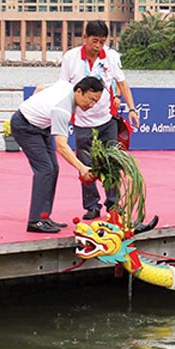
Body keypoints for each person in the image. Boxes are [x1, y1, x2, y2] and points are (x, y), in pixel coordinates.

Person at [60, 20, 139, 220]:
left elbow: (122, 83)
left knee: (111, 162)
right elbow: (63, 88)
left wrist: (131, 108)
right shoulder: (71, 57)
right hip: (82, 121)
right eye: (94, 41)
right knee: (85, 164)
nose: (98, 46)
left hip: (106, 119)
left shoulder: (110, 57)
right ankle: (91, 206)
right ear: (84, 38)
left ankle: (113, 205)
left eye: (102, 42)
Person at [10, 77, 104, 233]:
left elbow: (40, 86)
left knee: (53, 168)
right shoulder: (62, 109)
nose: (91, 105)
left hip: (42, 126)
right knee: (45, 170)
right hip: (24, 127)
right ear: (79, 91)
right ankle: (35, 221)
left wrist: (35, 105)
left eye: (96, 102)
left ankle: (44, 216)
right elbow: (62, 146)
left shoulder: (67, 86)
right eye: (91, 99)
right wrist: (82, 168)